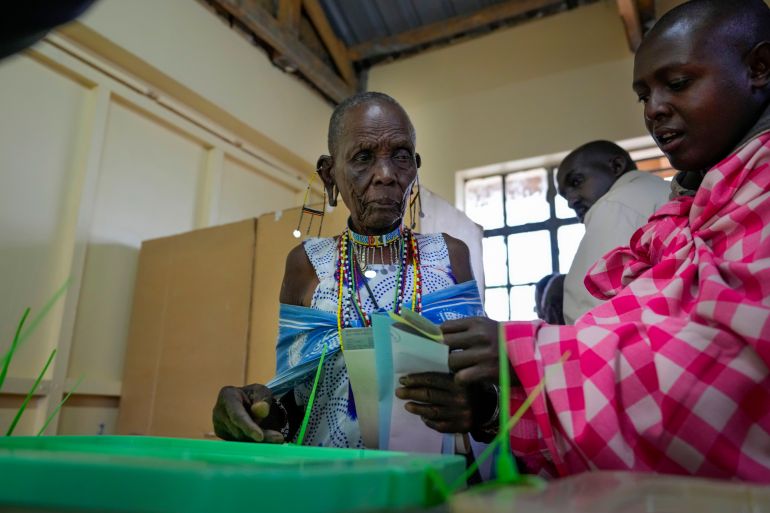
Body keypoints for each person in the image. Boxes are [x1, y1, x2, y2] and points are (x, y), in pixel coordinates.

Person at [441, 0, 770, 481]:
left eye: (677, 84)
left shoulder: (743, 194)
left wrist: (523, 353)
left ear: (759, 68)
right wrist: (496, 406)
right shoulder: (691, 206)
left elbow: (719, 383)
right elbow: (633, 339)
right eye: (643, 95)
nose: (654, 110)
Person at [213, 92, 492, 447]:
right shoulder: (307, 264)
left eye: (401, 156)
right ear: (330, 174)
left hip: (432, 484)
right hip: (331, 483)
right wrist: (256, 409)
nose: (386, 175)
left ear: (415, 167)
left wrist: (480, 407)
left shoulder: (449, 255)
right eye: (363, 157)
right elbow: (298, 403)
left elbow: (486, 389)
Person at [557, 141, 670, 324]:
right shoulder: (662, 190)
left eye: (576, 182)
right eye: (565, 196)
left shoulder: (616, 204)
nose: (571, 201)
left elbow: (600, 311)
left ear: (616, 166)